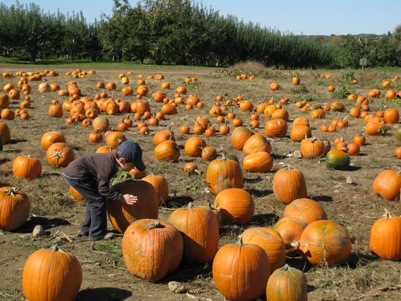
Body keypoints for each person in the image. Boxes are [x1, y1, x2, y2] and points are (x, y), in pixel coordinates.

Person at [62, 140, 146, 241]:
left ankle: (86, 229)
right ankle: (97, 233)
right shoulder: (108, 167)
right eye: (132, 165)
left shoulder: (112, 162)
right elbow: (103, 190)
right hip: (77, 176)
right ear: (122, 160)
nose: (133, 168)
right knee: (98, 201)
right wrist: (121, 197)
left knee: (93, 200)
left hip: (78, 173)